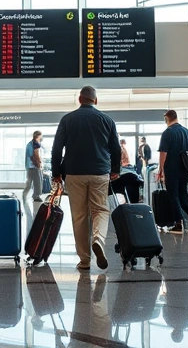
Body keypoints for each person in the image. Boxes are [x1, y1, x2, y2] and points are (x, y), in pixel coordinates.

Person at [51, 86, 121, 271]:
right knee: (100, 210)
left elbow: (57, 148)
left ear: (80, 99)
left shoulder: (67, 119)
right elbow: (115, 148)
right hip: (99, 172)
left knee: (80, 216)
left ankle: (84, 260)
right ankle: (97, 239)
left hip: (74, 174)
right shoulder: (107, 120)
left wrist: (56, 173)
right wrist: (115, 170)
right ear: (95, 100)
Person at [157, 110, 188, 235]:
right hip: (185, 169)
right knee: (183, 194)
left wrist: (161, 171)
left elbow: (163, 153)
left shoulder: (167, 133)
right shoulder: (187, 132)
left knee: (173, 195)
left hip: (171, 168)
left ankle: (178, 223)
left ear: (167, 118)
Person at [22, 130, 44, 203]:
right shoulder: (32, 144)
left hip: (33, 166)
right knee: (35, 182)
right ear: (38, 136)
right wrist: (38, 164)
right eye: (40, 136)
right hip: (33, 166)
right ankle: (34, 196)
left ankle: (33, 195)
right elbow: (33, 156)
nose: (41, 137)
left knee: (33, 181)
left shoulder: (34, 144)